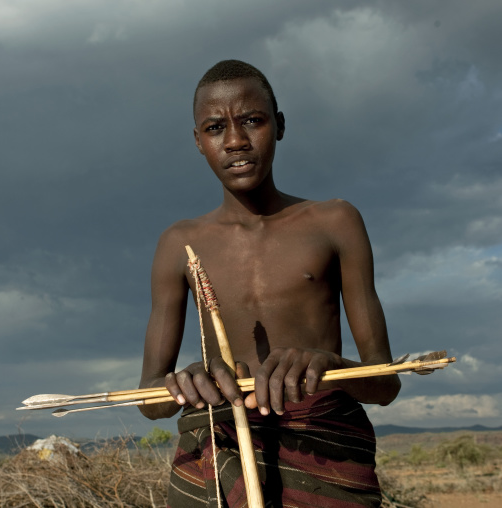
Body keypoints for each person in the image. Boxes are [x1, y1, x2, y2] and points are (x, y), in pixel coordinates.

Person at [139, 59, 401, 507]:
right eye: (216, 127)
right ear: (198, 142)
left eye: (252, 121)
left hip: (325, 450)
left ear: (278, 126)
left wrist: (330, 366)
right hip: (217, 450)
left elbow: (385, 383)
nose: (236, 141)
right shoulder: (179, 244)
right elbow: (150, 401)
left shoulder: (335, 222)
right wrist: (187, 383)